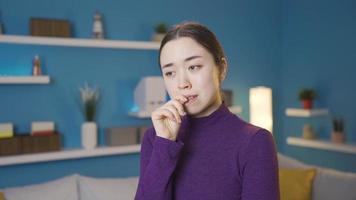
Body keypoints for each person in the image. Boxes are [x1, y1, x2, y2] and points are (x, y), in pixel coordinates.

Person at [135, 22, 279, 200]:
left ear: (222, 68)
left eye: (193, 67)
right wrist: (165, 144)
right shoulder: (156, 138)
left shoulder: (255, 141)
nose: (182, 83)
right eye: (170, 73)